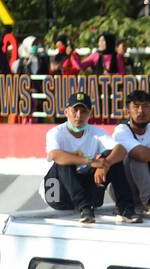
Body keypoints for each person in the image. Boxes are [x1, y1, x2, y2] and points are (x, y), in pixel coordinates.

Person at [43, 91, 138, 223]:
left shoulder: (96, 132)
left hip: (88, 193)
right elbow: (54, 155)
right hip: (57, 196)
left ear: (89, 114)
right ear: (66, 112)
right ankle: (84, 208)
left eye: (83, 111)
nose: (78, 115)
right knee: (64, 160)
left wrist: (106, 164)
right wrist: (90, 161)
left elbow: (121, 150)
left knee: (112, 157)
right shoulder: (56, 132)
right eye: (75, 110)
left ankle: (126, 208)